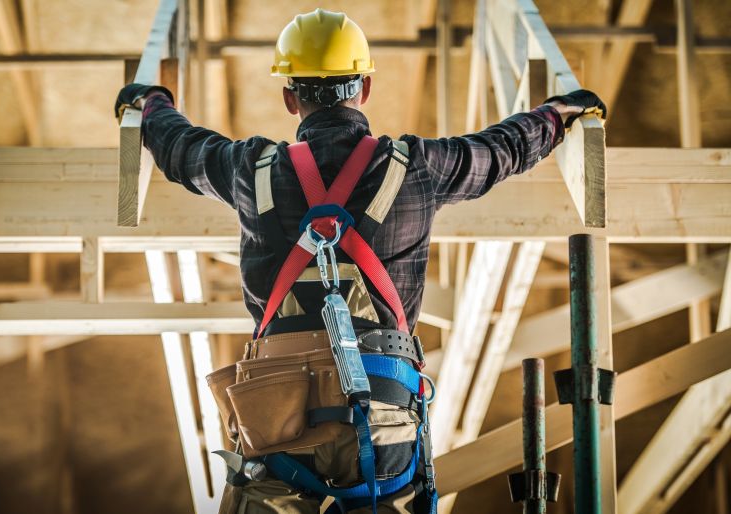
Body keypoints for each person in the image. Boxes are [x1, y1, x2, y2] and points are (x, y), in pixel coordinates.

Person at [114, 8, 606, 513]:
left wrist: (150, 103)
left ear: (289, 95)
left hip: (273, 419)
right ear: (364, 88)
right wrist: (557, 115)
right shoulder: (416, 168)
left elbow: (182, 149)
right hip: (380, 413)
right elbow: (498, 150)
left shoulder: (251, 169)